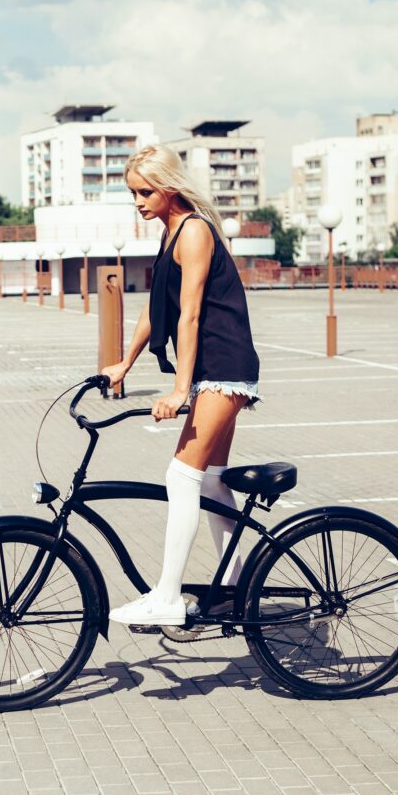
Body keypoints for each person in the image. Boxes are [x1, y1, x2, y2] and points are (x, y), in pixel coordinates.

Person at [101, 144, 260, 626]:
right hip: (215, 369)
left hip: (223, 367)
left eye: (145, 191)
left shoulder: (193, 232)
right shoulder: (171, 233)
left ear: (170, 187)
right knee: (211, 480)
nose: (138, 201)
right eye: (133, 193)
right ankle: (235, 587)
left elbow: (189, 315)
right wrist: (123, 363)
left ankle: (168, 596)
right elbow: (158, 309)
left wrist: (180, 390)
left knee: (181, 476)